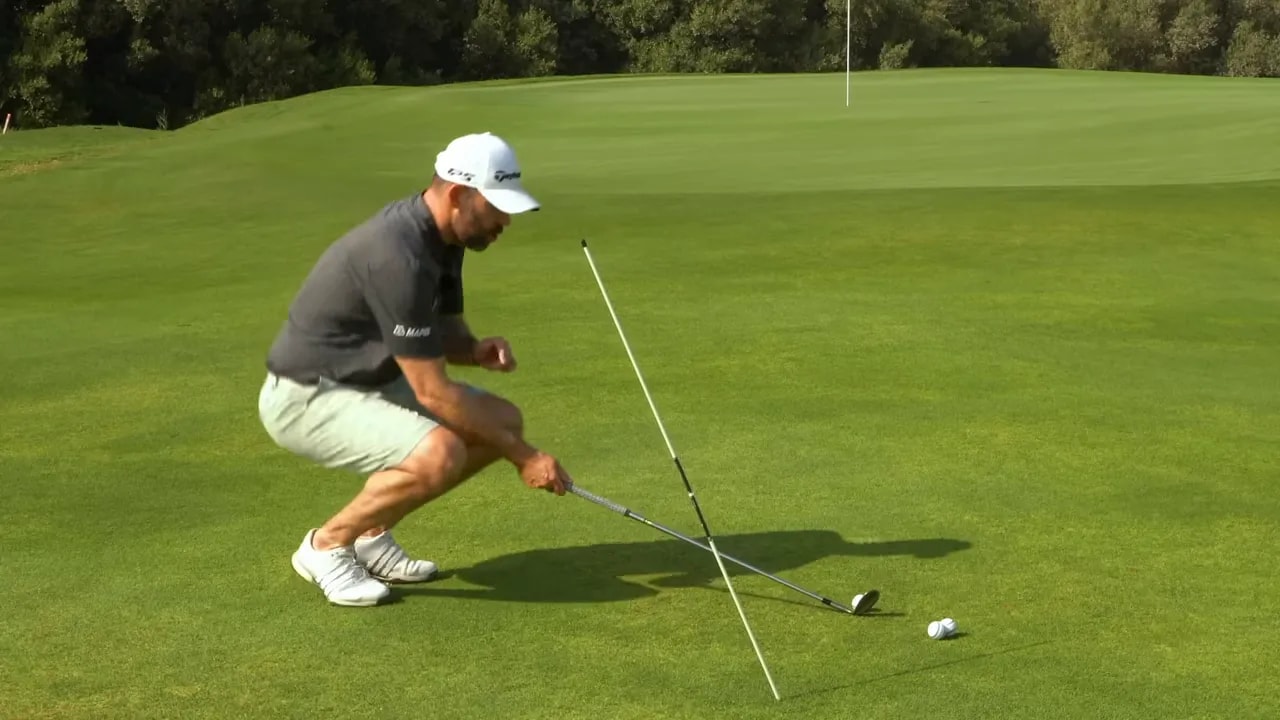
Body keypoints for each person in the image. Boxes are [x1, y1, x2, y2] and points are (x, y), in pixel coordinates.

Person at [256, 131, 573, 607]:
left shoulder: (445, 239)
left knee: (499, 422)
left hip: (368, 383)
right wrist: (525, 456)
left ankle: (371, 537)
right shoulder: (397, 254)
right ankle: (326, 545)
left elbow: (441, 334)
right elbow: (433, 392)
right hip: (305, 396)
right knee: (440, 453)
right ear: (458, 195)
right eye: (496, 206)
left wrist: (474, 348)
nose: (505, 220)